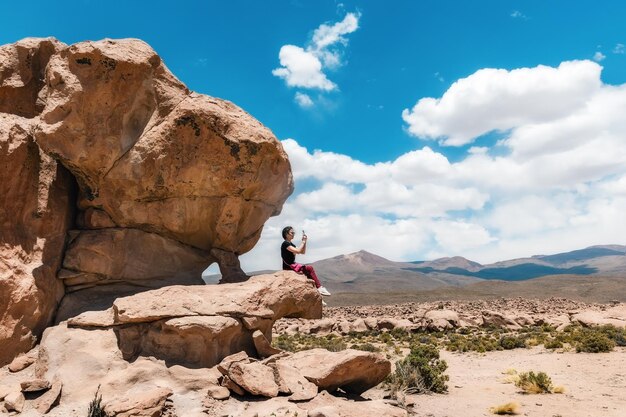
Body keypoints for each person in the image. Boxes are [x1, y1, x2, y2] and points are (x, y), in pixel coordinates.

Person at [281, 226, 331, 296]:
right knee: (309, 268)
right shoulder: (285, 244)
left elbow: (302, 252)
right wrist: (303, 241)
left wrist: (305, 242)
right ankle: (319, 288)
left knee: (308, 273)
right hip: (289, 267)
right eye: (292, 233)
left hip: (292, 266)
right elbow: (298, 251)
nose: (293, 234)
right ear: (286, 234)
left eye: (294, 233)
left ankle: (316, 291)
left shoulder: (291, 245)